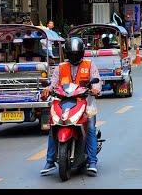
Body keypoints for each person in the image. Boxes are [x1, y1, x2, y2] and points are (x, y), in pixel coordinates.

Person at [40, 37, 101, 177]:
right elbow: (53, 84)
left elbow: (97, 81)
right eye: (71, 53)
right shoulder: (60, 67)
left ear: (81, 52)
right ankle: (49, 161)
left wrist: (96, 89)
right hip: (64, 103)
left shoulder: (90, 65)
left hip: (85, 104)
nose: (74, 56)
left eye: (76, 53)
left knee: (91, 128)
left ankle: (92, 161)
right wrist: (48, 89)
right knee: (53, 126)